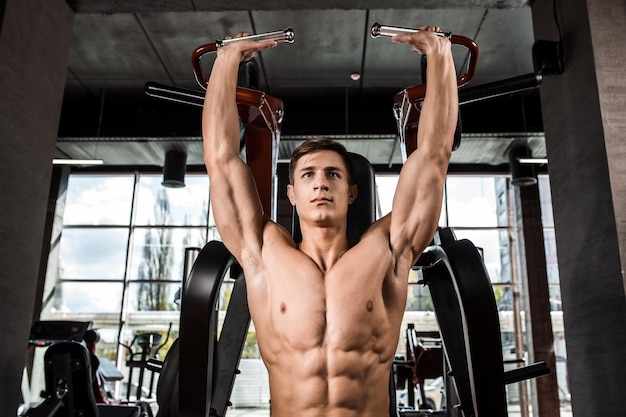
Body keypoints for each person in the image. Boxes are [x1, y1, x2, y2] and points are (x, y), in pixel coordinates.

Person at [202, 26, 458, 417]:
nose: (321, 182)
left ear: (351, 193)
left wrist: (439, 55)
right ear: (291, 195)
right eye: (307, 175)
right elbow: (220, 160)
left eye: (333, 175)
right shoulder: (263, 254)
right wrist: (227, 59)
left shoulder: (388, 252)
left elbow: (434, 156)